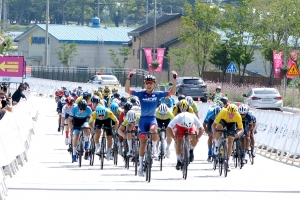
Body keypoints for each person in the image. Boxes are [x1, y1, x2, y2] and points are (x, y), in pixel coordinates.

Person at [125, 70, 177, 176]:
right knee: (143, 144)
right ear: (144, 84)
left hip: (152, 119)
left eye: (151, 83)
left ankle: (154, 150)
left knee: (154, 130)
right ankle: (140, 166)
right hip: (143, 120)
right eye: (147, 83)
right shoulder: (140, 93)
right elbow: (127, 90)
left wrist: (175, 80)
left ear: (154, 85)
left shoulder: (157, 94)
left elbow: (172, 92)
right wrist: (128, 78)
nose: (149, 85)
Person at [212, 104, 244, 171]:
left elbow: (241, 129)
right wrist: (214, 132)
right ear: (227, 111)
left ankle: (227, 161)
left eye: (233, 114)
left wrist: (238, 133)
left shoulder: (238, 116)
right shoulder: (223, 112)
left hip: (231, 125)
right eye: (229, 113)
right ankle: (217, 145)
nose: (231, 115)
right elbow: (214, 124)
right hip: (223, 121)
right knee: (219, 128)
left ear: (235, 113)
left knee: (230, 142)